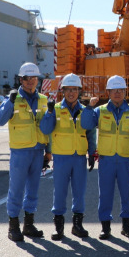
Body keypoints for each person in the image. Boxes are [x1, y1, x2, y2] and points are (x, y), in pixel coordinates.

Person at [80, 75, 129, 240]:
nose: (117, 93)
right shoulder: (99, 111)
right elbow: (86, 125)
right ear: (108, 92)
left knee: (127, 194)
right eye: (114, 90)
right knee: (105, 194)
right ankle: (105, 227)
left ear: (125, 92)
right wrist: (88, 107)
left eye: (120, 90)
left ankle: (127, 226)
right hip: (106, 160)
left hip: (124, 160)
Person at [0, 62, 51, 242]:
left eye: (34, 78)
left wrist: (48, 152)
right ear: (21, 80)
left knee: (33, 190)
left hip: (38, 151)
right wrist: (9, 103)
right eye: (27, 78)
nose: (31, 81)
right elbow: (0, 120)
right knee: (16, 189)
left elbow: (49, 128)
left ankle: (28, 224)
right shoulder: (13, 99)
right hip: (20, 152)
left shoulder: (43, 100)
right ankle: (13, 226)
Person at [40, 73, 96, 240]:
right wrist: (49, 112)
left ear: (79, 91)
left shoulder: (85, 110)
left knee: (79, 192)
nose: (71, 93)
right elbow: (45, 130)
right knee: (60, 192)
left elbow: (91, 133)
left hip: (79, 157)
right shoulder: (55, 109)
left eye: (74, 89)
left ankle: (77, 225)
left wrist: (92, 153)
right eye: (68, 89)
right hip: (61, 158)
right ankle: (59, 227)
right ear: (62, 91)